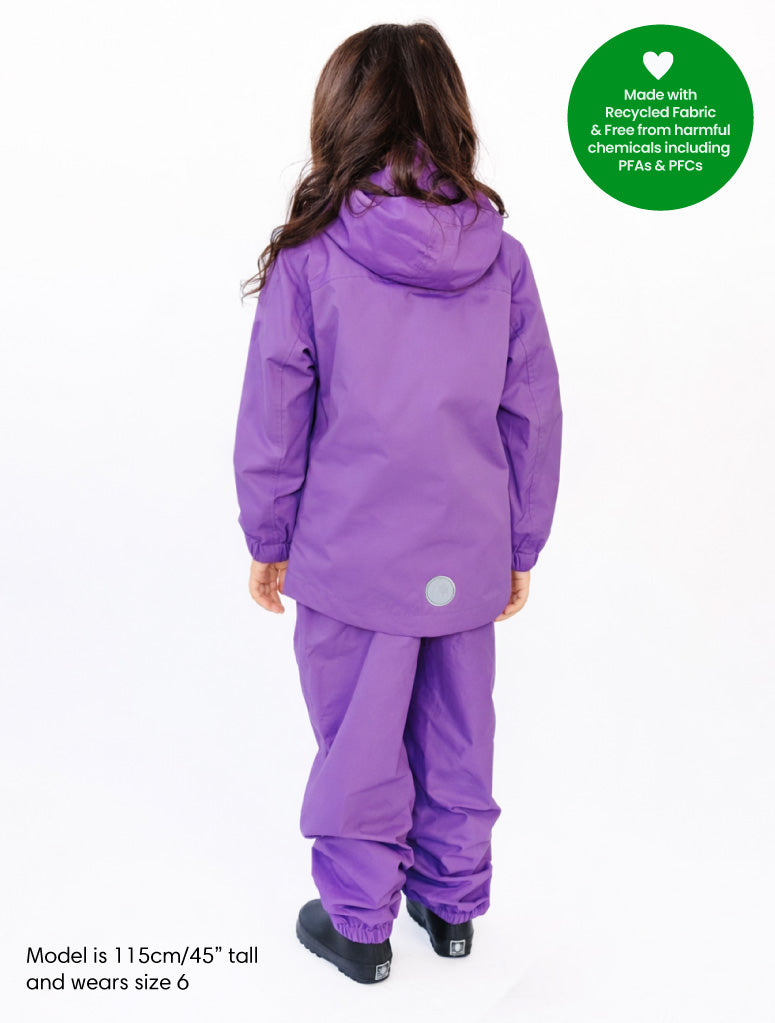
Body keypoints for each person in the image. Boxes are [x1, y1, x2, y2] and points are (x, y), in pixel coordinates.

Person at [233, 21, 562, 985]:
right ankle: (451, 906)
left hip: (351, 555)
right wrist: (521, 544)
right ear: (450, 114)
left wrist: (268, 535)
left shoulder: (310, 259)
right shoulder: (501, 258)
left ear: (340, 117)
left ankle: (358, 925)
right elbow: (531, 413)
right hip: (464, 550)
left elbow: (274, 416)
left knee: (359, 741)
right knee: (460, 729)